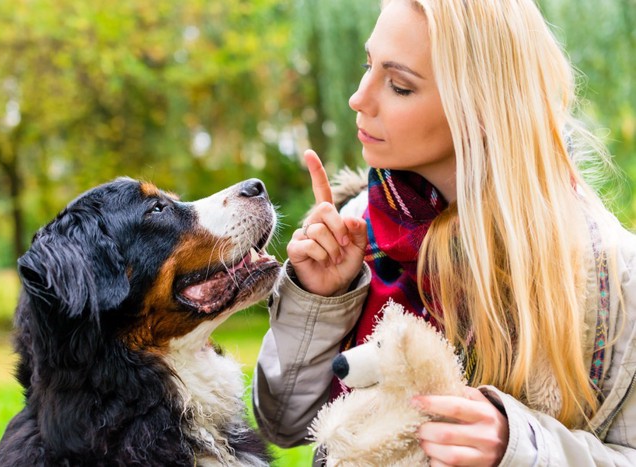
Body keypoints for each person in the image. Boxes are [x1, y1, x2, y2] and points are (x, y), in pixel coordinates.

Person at [252, 0, 636, 465]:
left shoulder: (611, 275)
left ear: (479, 109)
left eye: (399, 85)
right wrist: (319, 301)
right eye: (367, 65)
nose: (358, 98)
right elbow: (285, 425)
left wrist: (518, 447)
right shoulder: (357, 228)